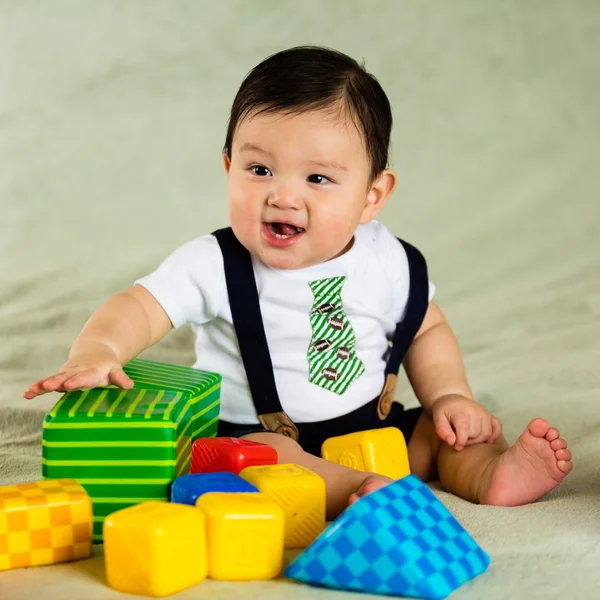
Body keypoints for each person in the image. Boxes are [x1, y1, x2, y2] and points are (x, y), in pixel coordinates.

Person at [24, 46, 572, 520]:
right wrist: (97, 349)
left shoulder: (388, 260)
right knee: (262, 461)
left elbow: (425, 330)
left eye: (317, 178)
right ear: (227, 166)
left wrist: (452, 396)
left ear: (372, 196)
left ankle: (490, 476)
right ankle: (352, 493)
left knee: (448, 433)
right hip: (251, 433)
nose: (283, 196)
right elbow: (139, 307)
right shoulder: (214, 261)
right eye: (259, 169)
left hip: (371, 429)